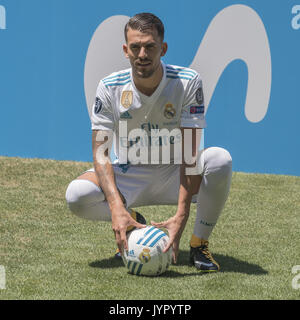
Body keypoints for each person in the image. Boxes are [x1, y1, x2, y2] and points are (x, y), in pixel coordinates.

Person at [65, 12, 232, 272]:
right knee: (76, 195)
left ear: (163, 48)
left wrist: (181, 216)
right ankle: (132, 220)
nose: (142, 54)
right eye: (135, 47)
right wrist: (116, 207)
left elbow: (190, 154)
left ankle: (199, 244)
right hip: (130, 174)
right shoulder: (109, 87)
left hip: (175, 173)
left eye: (150, 46)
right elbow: (101, 153)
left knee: (220, 159)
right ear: (125, 50)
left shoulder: (187, 82)